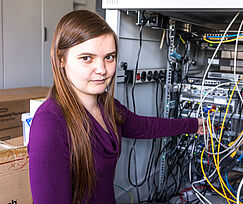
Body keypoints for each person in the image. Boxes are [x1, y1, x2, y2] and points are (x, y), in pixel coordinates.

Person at [28, 10, 203, 204]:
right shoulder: (50, 124)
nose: (102, 69)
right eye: (87, 58)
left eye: (109, 57)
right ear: (61, 59)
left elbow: (145, 127)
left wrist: (194, 125)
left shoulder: (107, 106)